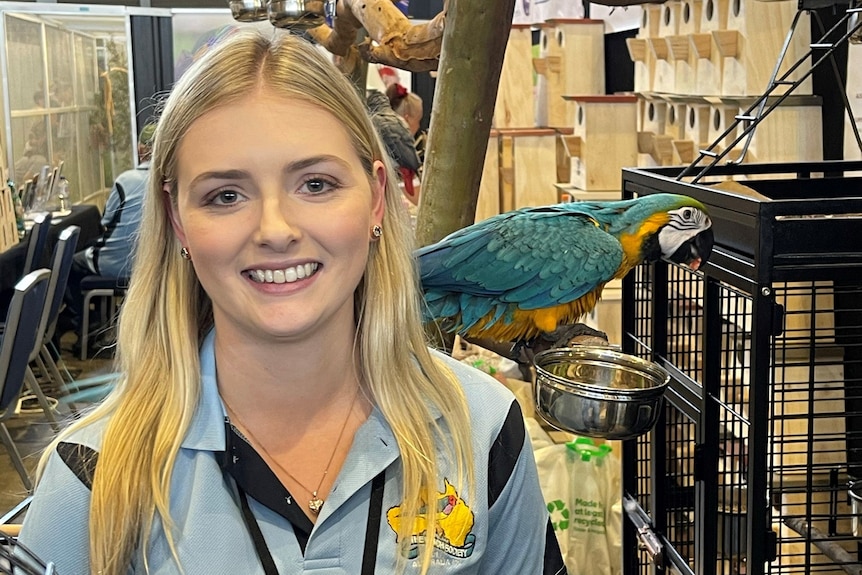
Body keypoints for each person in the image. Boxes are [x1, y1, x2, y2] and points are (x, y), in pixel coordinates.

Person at [19, 30, 565, 575]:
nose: (275, 230)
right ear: (177, 220)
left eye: (317, 184)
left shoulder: (482, 429)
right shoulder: (96, 477)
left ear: (376, 198)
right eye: (226, 195)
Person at [60, 123, 154, 345]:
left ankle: (86, 327)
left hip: (116, 263)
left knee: (69, 263)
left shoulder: (125, 181)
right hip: (155, 262)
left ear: (141, 149)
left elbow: (106, 222)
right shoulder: (174, 179)